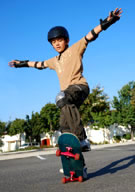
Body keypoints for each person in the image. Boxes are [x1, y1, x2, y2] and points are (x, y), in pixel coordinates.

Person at [9, 8, 122, 178]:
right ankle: (78, 167)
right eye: (53, 42)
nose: (56, 44)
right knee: (65, 130)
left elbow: (90, 35)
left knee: (61, 97)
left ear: (66, 40)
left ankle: (83, 139)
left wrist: (108, 21)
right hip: (68, 98)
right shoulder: (54, 60)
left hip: (79, 88)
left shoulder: (75, 48)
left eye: (59, 40)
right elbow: (38, 64)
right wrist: (20, 64)